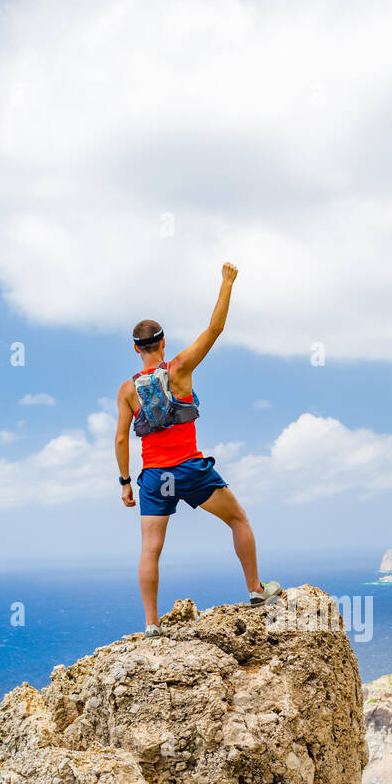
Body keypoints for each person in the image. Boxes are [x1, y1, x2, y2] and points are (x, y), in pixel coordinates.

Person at [114, 262, 282, 634]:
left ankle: (152, 624)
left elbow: (123, 438)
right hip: (190, 469)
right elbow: (215, 328)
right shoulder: (181, 368)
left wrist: (126, 481)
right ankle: (256, 590)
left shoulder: (127, 391)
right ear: (162, 342)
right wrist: (227, 282)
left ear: (135, 349)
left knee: (150, 550)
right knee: (238, 519)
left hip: (155, 477)